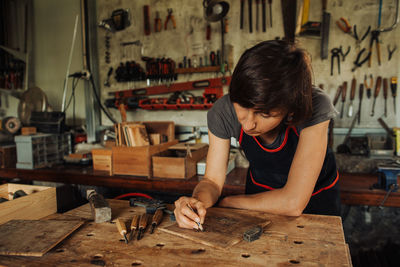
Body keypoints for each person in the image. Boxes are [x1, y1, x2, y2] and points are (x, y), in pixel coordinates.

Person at [174, 40, 341, 230]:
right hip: (257, 199)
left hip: (314, 204)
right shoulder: (223, 111)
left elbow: (293, 202)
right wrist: (196, 202)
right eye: (243, 107)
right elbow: (211, 181)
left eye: (264, 114)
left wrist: (228, 203)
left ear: (290, 109)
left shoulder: (316, 105)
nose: (248, 124)